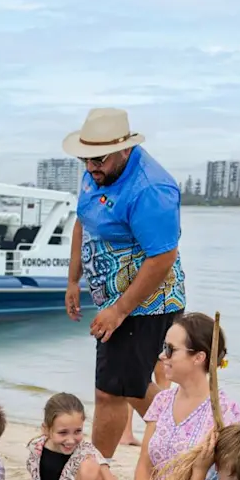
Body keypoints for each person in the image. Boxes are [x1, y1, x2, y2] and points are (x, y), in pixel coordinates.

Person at [77, 312, 240, 480]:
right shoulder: (163, 401)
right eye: (163, 347)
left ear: (199, 357)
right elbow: (145, 462)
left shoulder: (225, 413)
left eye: (170, 349)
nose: (161, 356)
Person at [61, 107, 186, 458]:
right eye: (84, 159)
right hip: (112, 301)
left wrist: (118, 311)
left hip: (147, 302)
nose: (89, 168)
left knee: (115, 390)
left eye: (97, 159)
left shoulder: (151, 189)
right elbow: (82, 221)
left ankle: (93, 474)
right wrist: (74, 280)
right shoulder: (97, 172)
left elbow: (163, 257)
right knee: (125, 387)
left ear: (124, 149)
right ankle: (189, 437)